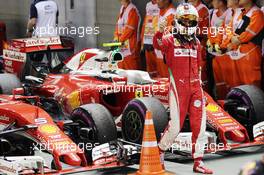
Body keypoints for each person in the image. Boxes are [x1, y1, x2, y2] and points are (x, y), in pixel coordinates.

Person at [153, 3, 213, 174]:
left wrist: (200, 86)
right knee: (175, 126)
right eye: (184, 21)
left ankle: (198, 161)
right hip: (178, 90)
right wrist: (159, 30)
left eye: (191, 21)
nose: (188, 25)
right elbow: (158, 44)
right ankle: (159, 152)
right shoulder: (169, 39)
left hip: (196, 89)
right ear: (178, 21)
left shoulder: (197, 43)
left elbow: (199, 67)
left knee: (199, 126)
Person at [188, 0, 210, 90]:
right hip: (187, 47)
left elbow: (206, 31)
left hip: (200, 48)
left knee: (201, 76)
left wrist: (191, 31)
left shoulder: (203, 9)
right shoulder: (186, 8)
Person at [114, 0, 141, 70]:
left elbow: (130, 30)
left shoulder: (133, 10)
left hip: (131, 46)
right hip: (121, 45)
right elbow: (117, 25)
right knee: (120, 67)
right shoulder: (122, 8)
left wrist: (119, 40)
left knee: (131, 70)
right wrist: (116, 37)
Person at [154, 0, 176, 77]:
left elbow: (168, 40)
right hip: (160, 55)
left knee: (167, 83)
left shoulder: (171, 14)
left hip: (166, 57)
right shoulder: (162, 12)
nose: (157, 1)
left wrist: (158, 44)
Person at [141, 0, 160, 76]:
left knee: (158, 65)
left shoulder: (161, 4)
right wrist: (142, 40)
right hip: (147, 38)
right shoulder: (148, 5)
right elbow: (145, 23)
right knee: (149, 66)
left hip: (156, 39)